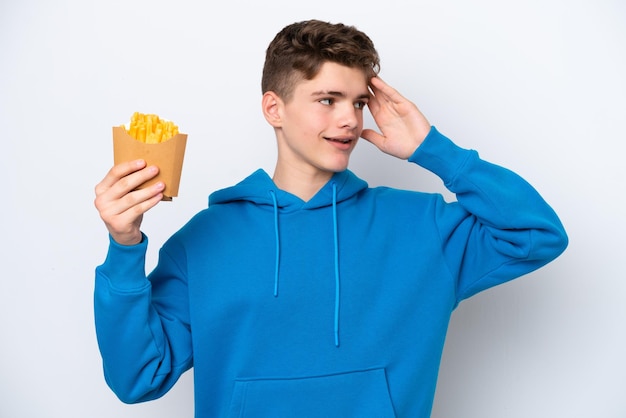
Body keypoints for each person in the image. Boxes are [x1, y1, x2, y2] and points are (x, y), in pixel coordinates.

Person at [93, 19, 568, 418]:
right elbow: (138, 376)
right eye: (327, 100)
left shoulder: (423, 227)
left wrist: (435, 150)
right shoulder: (203, 241)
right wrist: (124, 247)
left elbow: (537, 233)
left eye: (358, 103)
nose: (349, 120)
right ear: (273, 108)